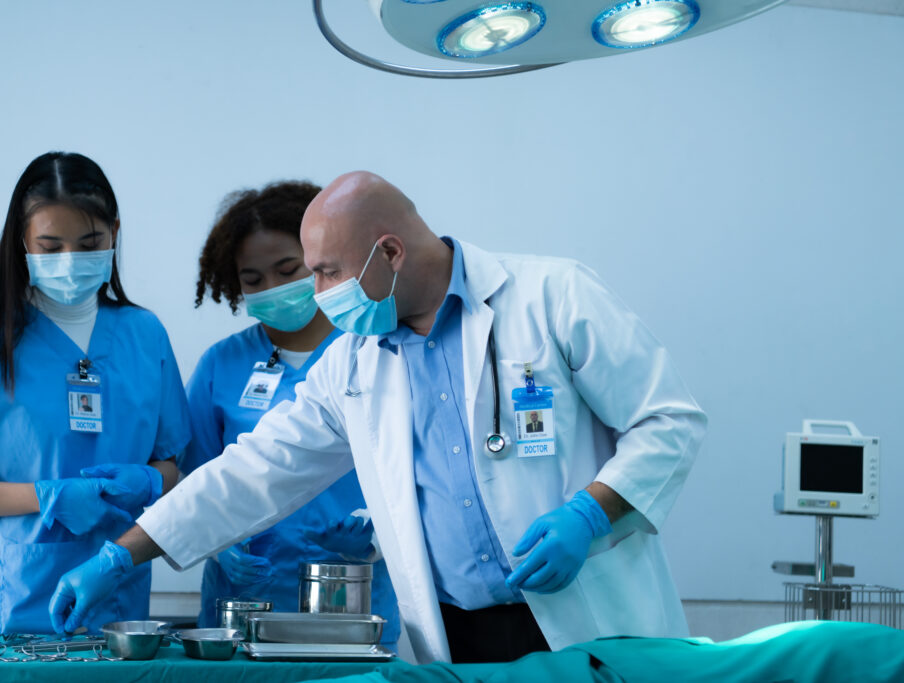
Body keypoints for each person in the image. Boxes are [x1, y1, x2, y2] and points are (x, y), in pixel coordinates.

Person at [50, 171, 706, 665]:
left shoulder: (552, 295)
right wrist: (122, 554)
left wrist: (589, 514)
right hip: (456, 641)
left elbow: (668, 421)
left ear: (390, 253)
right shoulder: (355, 362)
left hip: (584, 618)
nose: (319, 294)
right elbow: (253, 470)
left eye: (327, 272)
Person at [0, 152, 190, 635]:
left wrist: (149, 481)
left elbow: (171, 467)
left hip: (122, 617)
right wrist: (44, 497)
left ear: (115, 232)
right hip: (15, 620)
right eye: (50, 246)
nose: (70, 260)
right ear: (22, 242)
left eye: (90, 244)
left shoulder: (144, 336)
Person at [182, 181, 400, 646]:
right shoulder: (221, 365)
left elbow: (411, 470)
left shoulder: (373, 351)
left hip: (352, 597)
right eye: (253, 280)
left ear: (320, 259)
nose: (274, 289)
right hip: (244, 602)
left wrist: (374, 538)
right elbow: (193, 479)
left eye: (287, 270)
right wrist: (217, 546)